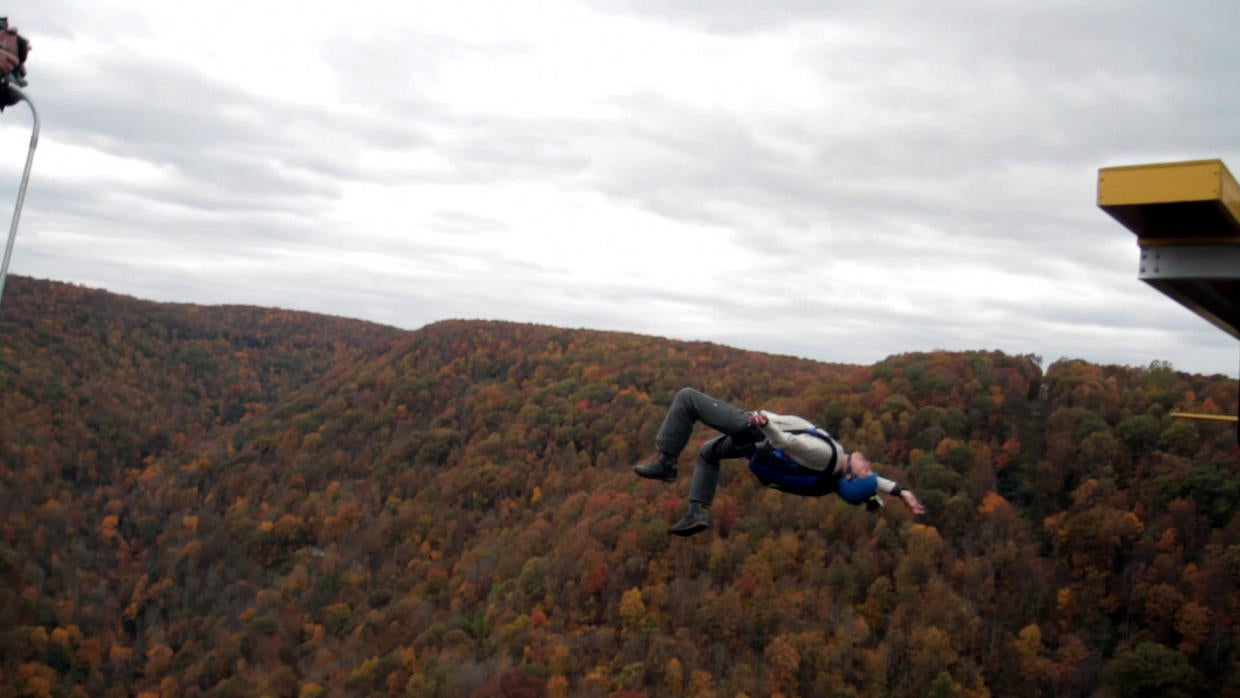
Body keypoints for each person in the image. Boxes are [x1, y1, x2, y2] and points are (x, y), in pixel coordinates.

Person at [634, 387, 925, 536]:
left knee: (687, 398)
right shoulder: (837, 469)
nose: (869, 463)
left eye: (867, 470)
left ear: (850, 475)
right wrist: (903, 493)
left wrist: (763, 423)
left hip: (757, 431)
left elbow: (787, 442)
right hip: (758, 445)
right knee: (708, 453)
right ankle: (697, 512)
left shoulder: (828, 456)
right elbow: (877, 484)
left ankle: (666, 461)